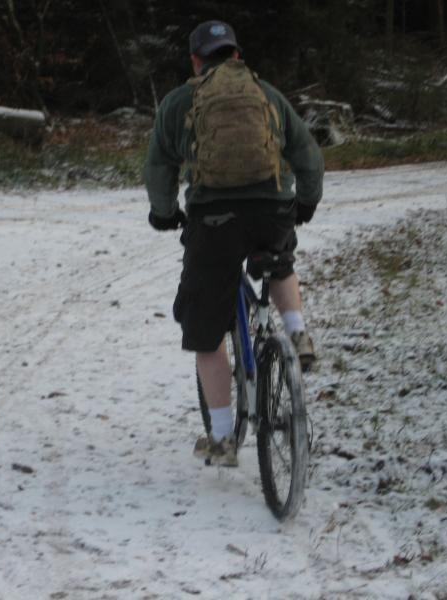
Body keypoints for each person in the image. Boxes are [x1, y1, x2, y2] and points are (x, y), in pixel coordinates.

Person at [144, 20, 324, 467]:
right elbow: (308, 155)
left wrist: (164, 212)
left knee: (206, 331)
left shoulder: (179, 102)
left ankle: (223, 440)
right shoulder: (267, 95)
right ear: (237, 56)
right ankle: (297, 333)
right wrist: (304, 202)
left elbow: (159, 168)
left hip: (214, 220)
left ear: (195, 61)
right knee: (280, 262)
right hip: (271, 211)